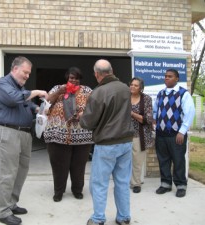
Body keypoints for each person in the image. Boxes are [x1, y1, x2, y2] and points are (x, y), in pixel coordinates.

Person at [0, 56, 48, 225]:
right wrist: (37, 92)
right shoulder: (3, 84)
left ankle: (11, 203)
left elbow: (27, 105)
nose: (27, 76)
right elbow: (14, 99)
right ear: (15, 69)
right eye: (25, 72)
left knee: (20, 172)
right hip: (7, 132)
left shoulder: (20, 89)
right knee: (6, 173)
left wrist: (39, 108)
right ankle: (3, 212)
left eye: (29, 73)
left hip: (23, 134)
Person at [79, 59, 134, 225]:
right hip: (126, 142)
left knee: (99, 183)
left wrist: (82, 117)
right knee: (123, 182)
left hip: (106, 144)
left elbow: (88, 123)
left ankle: (98, 218)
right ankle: (124, 217)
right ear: (111, 70)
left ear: (97, 74)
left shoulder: (98, 92)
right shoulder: (125, 88)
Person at [43, 67, 93, 202]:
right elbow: (46, 103)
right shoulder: (57, 88)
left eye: (76, 78)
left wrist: (83, 114)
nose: (74, 80)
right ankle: (58, 192)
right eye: (71, 78)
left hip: (82, 136)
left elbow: (94, 108)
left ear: (80, 79)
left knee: (79, 165)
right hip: (57, 135)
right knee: (59, 165)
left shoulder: (87, 91)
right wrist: (60, 91)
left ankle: (77, 190)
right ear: (67, 78)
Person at [153, 69, 195, 198]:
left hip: (176, 135)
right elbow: (155, 111)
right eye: (165, 76)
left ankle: (181, 185)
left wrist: (182, 132)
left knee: (178, 160)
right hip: (161, 135)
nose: (167, 78)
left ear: (177, 78)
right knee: (163, 160)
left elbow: (189, 113)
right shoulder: (160, 94)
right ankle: (165, 184)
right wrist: (155, 123)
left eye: (170, 76)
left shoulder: (183, 94)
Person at [129, 77, 153, 193]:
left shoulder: (146, 99)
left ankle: (136, 184)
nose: (132, 87)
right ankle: (124, 182)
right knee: (124, 161)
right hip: (124, 135)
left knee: (137, 161)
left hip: (140, 135)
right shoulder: (124, 97)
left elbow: (148, 119)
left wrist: (132, 114)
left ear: (141, 88)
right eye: (131, 84)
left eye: (136, 85)